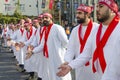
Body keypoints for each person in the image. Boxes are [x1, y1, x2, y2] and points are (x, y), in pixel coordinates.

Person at [57, 0, 120, 80]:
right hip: (98, 75)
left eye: (101, 6)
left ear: (112, 9)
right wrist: (70, 65)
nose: (97, 9)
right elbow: (86, 53)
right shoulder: (96, 31)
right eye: (97, 6)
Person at [60, 4, 99, 80]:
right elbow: (71, 48)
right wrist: (67, 61)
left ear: (87, 14)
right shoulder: (75, 30)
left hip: (95, 66)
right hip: (79, 66)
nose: (77, 15)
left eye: (80, 13)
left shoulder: (97, 28)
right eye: (76, 13)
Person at [28, 12, 72, 80]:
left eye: (46, 17)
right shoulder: (45, 30)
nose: (44, 19)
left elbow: (65, 42)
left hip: (58, 56)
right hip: (49, 57)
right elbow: (42, 45)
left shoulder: (57, 28)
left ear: (51, 18)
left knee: (62, 76)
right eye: (43, 18)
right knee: (53, 75)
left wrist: (61, 51)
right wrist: (32, 52)